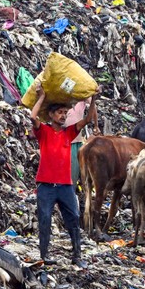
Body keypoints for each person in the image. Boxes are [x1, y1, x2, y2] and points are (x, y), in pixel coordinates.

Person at [30, 84, 100, 268]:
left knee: (73, 218)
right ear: (51, 115)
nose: (63, 115)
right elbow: (32, 116)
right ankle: (44, 255)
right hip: (46, 185)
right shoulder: (44, 132)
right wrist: (41, 98)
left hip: (65, 185)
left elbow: (86, 120)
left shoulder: (69, 133)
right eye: (60, 112)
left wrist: (93, 99)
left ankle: (77, 255)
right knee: (44, 220)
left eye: (65, 112)